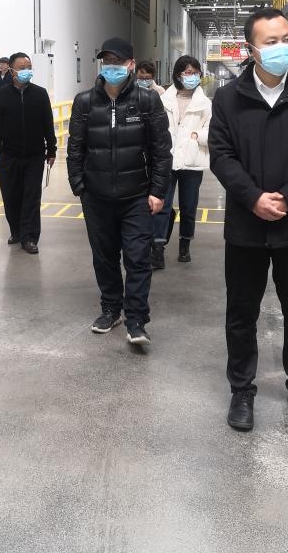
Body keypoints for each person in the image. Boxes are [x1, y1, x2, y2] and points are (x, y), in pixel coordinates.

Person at [209, 8, 288, 432]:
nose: (282, 47)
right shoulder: (229, 98)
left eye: (286, 39)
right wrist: (252, 198)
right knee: (241, 312)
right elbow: (221, 156)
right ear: (251, 49)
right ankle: (241, 390)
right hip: (246, 228)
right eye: (271, 42)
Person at [67, 38, 172, 346]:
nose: (111, 67)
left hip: (136, 196)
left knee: (138, 259)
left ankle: (136, 319)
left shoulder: (147, 101)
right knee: (104, 257)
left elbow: (161, 150)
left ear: (131, 65)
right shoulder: (85, 102)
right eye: (106, 62)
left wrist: (158, 191)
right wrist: (79, 186)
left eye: (118, 62)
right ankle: (111, 308)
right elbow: (75, 147)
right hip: (96, 197)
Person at [0, 52, 57, 254]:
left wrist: (51, 149)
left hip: (34, 156)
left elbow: (48, 123)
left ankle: (29, 237)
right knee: (11, 196)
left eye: (29, 67)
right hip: (8, 156)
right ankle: (16, 232)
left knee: (31, 197)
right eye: (21, 68)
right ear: (12, 71)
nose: (26, 71)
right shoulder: (1, 95)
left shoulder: (40, 94)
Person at [152, 55, 211, 269]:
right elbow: (155, 127)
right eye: (188, 72)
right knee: (161, 205)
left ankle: (185, 244)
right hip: (166, 160)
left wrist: (197, 136)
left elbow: (212, 130)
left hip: (191, 161)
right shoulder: (164, 100)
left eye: (196, 73)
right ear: (178, 74)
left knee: (188, 206)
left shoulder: (205, 103)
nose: (192, 76)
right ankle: (157, 249)